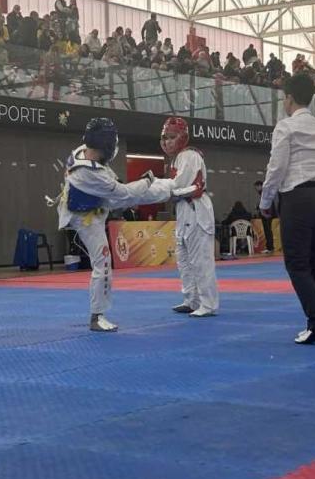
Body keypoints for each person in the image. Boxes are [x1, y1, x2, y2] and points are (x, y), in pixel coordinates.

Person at [55, 118, 190, 332]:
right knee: (103, 261)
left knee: (138, 194)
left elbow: (114, 185)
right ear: (107, 146)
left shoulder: (82, 151)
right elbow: (124, 193)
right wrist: (148, 179)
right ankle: (96, 317)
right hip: (86, 217)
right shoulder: (89, 172)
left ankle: (173, 187)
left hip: (94, 201)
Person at [259, 73, 315, 345]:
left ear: (289, 98)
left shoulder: (285, 128)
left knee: (297, 263)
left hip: (298, 198)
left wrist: (265, 201)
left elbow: (277, 168)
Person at [161, 117, 219, 318]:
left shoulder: (189, 155)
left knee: (200, 259)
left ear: (182, 137)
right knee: (184, 259)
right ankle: (191, 299)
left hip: (195, 208)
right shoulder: (177, 158)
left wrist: (154, 189)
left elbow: (178, 185)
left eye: (172, 137)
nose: (168, 141)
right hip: (184, 209)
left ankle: (208, 303)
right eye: (165, 137)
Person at [254, 180, 275, 253]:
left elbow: (269, 203)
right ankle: (269, 247)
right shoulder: (262, 193)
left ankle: (270, 247)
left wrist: (267, 214)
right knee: (267, 231)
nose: (256, 189)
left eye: (257, 187)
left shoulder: (265, 192)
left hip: (267, 214)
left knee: (268, 231)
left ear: (260, 186)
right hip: (266, 213)